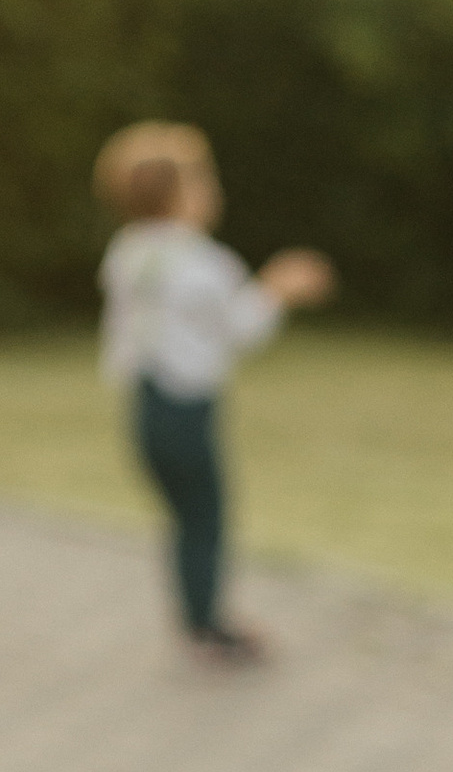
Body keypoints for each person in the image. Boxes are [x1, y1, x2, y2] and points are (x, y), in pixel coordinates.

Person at [94, 122, 333, 665]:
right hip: (188, 407)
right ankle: (207, 626)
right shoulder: (204, 263)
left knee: (182, 516)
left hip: (144, 404)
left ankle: (196, 618)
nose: (212, 191)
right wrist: (280, 288)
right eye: (204, 181)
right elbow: (243, 328)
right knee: (206, 515)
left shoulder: (127, 253)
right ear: (180, 195)